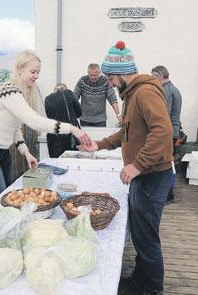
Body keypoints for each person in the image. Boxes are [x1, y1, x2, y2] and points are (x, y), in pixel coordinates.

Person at [78, 41, 173, 295]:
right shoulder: (132, 94)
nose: (109, 82)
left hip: (152, 176)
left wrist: (137, 165)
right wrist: (97, 145)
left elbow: (163, 131)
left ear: (122, 72)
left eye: (110, 77)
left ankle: (152, 288)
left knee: (147, 235)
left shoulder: (144, 93)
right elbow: (126, 133)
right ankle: (141, 277)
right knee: (140, 232)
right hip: (145, 176)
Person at [0, 50, 90, 201]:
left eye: (38, 72)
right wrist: (71, 128)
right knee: (1, 201)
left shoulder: (19, 93)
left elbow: (15, 127)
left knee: (9, 197)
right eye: (33, 71)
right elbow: (34, 121)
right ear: (19, 70)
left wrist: (25, 152)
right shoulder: (9, 91)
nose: (36, 76)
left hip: (1, 151)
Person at [151, 65, 182, 204]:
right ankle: (166, 194)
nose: (152, 80)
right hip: (171, 131)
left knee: (166, 165)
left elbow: (163, 114)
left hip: (167, 132)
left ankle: (168, 195)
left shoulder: (167, 91)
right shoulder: (172, 89)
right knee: (168, 163)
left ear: (159, 76)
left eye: (153, 77)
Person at [45, 83, 82, 157]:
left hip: (54, 136)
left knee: (56, 162)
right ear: (65, 89)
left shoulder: (47, 99)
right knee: (71, 162)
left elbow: (49, 116)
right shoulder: (69, 93)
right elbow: (79, 112)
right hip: (69, 134)